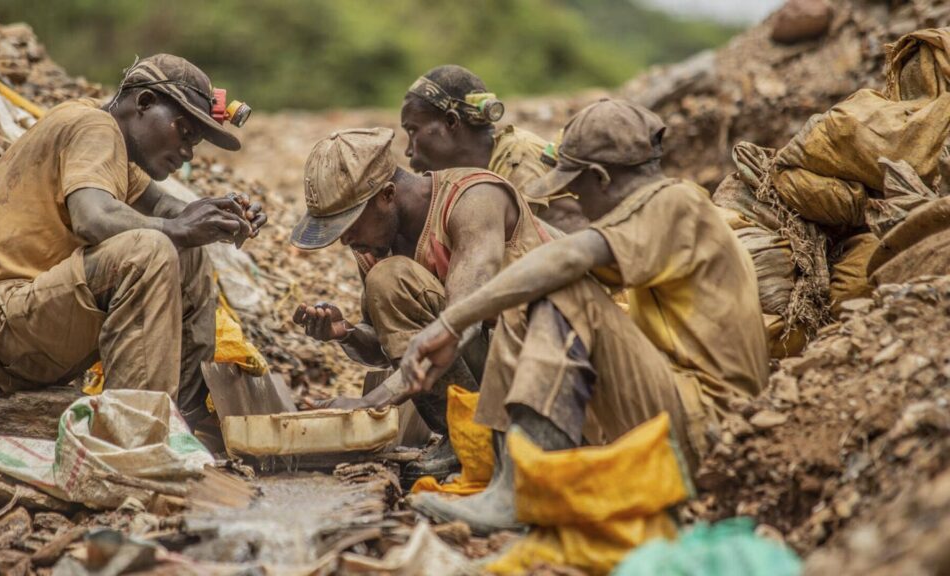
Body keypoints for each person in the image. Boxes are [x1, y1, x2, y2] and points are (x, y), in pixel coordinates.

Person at [399, 99, 770, 534]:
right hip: (677, 408)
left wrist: (450, 322)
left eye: (577, 189)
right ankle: (510, 478)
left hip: (708, 426)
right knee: (530, 288)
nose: (576, 203)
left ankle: (526, 491)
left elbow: (569, 257)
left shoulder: (676, 205)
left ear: (602, 178)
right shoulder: (654, 219)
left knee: (561, 287)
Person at [0, 54, 266, 425]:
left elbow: (165, 207)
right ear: (144, 103)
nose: (187, 152)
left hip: (23, 328)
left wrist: (219, 215)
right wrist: (178, 229)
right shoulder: (94, 126)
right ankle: (135, 435)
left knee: (184, 249)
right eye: (183, 131)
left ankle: (184, 422)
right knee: (151, 248)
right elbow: (92, 218)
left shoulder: (114, 149)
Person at [290, 127, 552, 481]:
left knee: (390, 278)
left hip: (547, 369)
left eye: (349, 224)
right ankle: (465, 438)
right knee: (389, 278)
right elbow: (396, 347)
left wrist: (372, 403)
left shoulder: (473, 199)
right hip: (494, 374)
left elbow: (461, 323)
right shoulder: (375, 243)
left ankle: (488, 441)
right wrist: (347, 334)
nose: (345, 239)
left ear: (386, 195)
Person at [400, 64, 589, 234]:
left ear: (451, 122)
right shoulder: (471, 179)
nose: (409, 150)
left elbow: (524, 245)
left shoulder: (517, 157)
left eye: (413, 130)